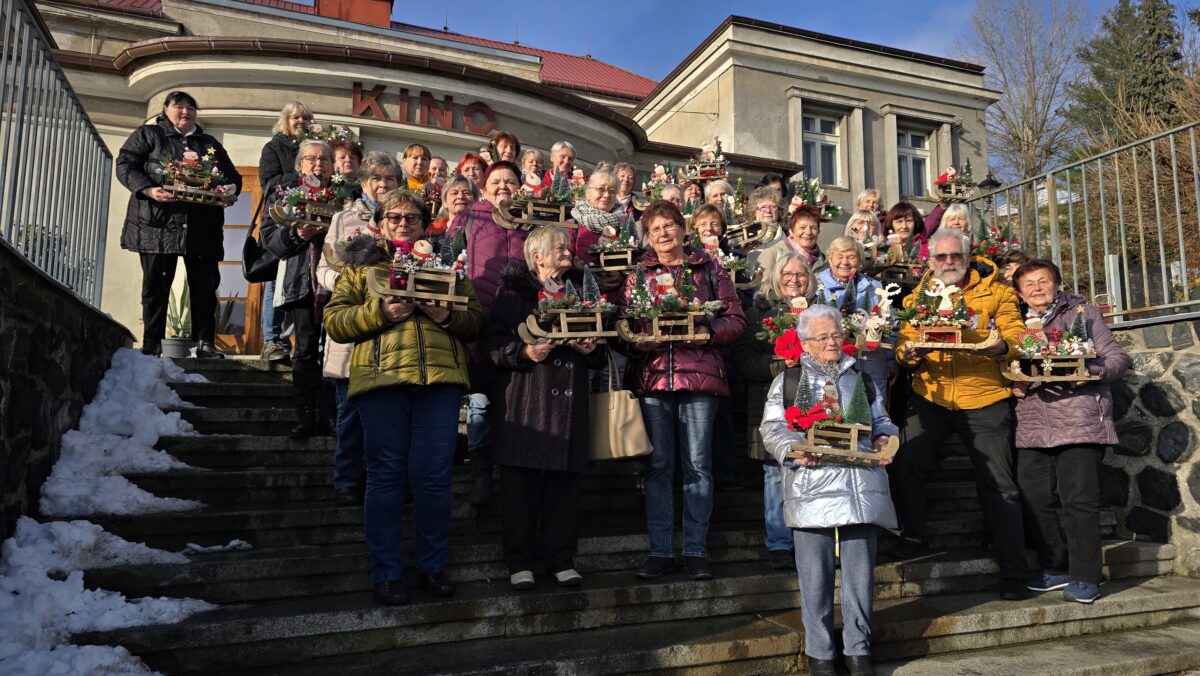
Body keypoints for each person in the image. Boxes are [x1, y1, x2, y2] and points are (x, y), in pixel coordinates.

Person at [323, 189, 485, 606]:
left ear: (424, 223)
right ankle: (387, 573)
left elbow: (476, 320)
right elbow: (335, 322)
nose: (402, 223)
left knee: (433, 479)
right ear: (379, 222)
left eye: (411, 218)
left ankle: (432, 568)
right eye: (393, 217)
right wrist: (381, 313)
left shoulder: (447, 263)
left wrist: (445, 315)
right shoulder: (360, 268)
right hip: (382, 380)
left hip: (440, 382)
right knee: (385, 476)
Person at [760, 303, 899, 676]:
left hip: (860, 487)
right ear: (804, 343)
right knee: (814, 578)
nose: (832, 342)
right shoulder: (788, 381)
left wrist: (886, 437)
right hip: (812, 485)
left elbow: (883, 419)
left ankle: (858, 651)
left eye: (836, 334)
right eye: (822, 337)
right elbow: (773, 428)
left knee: (860, 576)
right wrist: (792, 450)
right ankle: (820, 653)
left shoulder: (863, 377)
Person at [891, 228, 1028, 599]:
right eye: (941, 257)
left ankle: (1014, 570)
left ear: (968, 258)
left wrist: (1000, 347)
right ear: (930, 260)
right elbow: (904, 340)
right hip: (931, 394)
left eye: (955, 256)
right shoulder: (919, 295)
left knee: (999, 483)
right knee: (906, 461)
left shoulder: (996, 292)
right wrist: (907, 355)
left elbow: (1018, 338)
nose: (948, 262)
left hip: (983, 395)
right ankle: (914, 536)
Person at [623, 201, 746, 581]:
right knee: (659, 467)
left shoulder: (709, 269)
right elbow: (624, 322)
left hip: (701, 376)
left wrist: (708, 333)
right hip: (655, 377)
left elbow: (736, 319)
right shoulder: (638, 274)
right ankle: (660, 551)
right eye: (655, 229)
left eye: (669, 226)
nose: (663, 234)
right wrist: (640, 339)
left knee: (698, 466)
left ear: (683, 229)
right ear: (648, 236)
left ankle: (695, 551)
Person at [484, 226, 603, 590]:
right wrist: (523, 352)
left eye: (568, 247)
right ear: (537, 256)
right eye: (559, 247)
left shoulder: (583, 289)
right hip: (526, 398)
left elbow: (600, 344)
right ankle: (520, 561)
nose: (568, 252)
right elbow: (491, 342)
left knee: (564, 489)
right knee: (520, 488)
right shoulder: (513, 294)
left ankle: (561, 559)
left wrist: (591, 349)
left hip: (569, 402)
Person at [1011, 259, 1130, 604]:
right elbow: (1009, 367)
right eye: (1028, 284)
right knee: (1033, 500)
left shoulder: (1085, 314)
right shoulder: (1016, 323)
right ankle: (1057, 566)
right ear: (1019, 293)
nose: (1036, 288)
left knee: (1079, 502)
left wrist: (1090, 372)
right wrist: (1013, 386)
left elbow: (1118, 359)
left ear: (1057, 283)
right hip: (1033, 424)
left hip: (1080, 421)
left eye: (1043, 281)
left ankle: (1085, 576)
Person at [116, 90, 242, 358]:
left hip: (202, 227)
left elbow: (233, 177)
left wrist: (228, 193)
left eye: (191, 107)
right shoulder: (149, 135)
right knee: (155, 288)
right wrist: (149, 190)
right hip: (157, 225)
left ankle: (205, 343)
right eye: (179, 106)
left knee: (205, 288)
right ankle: (152, 344)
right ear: (165, 109)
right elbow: (126, 164)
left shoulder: (208, 143)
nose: (185, 111)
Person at [315, 152, 401, 505]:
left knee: (389, 414)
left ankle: (380, 479)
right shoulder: (344, 219)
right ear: (364, 181)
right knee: (350, 410)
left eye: (390, 179)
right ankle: (347, 478)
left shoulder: (404, 217)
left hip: (394, 332)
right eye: (376, 178)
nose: (383, 185)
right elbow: (322, 270)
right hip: (354, 327)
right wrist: (349, 283)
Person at [446, 160, 529, 507]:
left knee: (513, 404)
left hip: (520, 325)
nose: (503, 187)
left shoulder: (530, 219)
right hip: (479, 321)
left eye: (510, 181)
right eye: (496, 181)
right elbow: (449, 262)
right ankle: (482, 474)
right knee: (479, 405)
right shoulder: (468, 219)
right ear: (485, 187)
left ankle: (510, 474)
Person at [733, 252, 815, 569]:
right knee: (775, 476)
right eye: (788, 274)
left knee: (813, 471)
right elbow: (743, 359)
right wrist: (780, 364)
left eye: (801, 275)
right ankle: (780, 542)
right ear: (775, 278)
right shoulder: (758, 313)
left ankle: (809, 539)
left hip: (814, 404)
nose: (794, 280)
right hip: (773, 405)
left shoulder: (820, 311)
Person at [260, 139, 334, 438]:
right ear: (299, 164)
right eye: (312, 159)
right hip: (302, 282)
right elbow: (270, 241)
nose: (318, 165)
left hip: (337, 284)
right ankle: (306, 416)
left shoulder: (345, 195)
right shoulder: (283, 195)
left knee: (333, 350)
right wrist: (297, 234)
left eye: (325, 160)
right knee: (304, 350)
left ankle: (330, 416)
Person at [258, 100, 313, 362]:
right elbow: (268, 183)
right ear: (285, 121)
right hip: (281, 222)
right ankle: (272, 340)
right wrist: (302, 177)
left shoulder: (317, 148)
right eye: (295, 118)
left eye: (305, 118)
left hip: (312, 221)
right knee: (275, 282)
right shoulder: (274, 147)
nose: (301, 122)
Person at [816, 237, 893, 402]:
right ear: (830, 259)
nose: (845, 262)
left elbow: (890, 327)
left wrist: (891, 362)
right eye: (839, 256)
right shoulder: (817, 288)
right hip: (830, 364)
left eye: (851, 256)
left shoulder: (875, 288)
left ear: (859, 261)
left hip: (871, 364)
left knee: (875, 412)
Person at [757, 204, 826, 277]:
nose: (808, 232)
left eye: (813, 228)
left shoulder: (822, 261)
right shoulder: (772, 254)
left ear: (818, 232)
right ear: (791, 231)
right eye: (802, 227)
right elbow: (762, 287)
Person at [430, 175, 477, 241]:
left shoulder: (482, 228)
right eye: (454, 193)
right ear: (445, 202)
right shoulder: (432, 230)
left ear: (475, 200)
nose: (460, 196)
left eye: (466, 193)